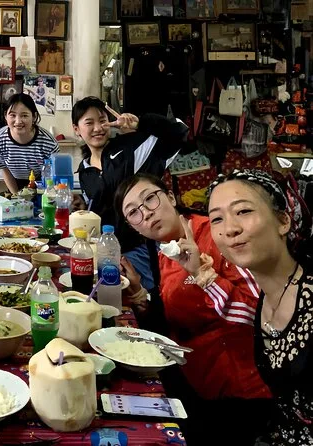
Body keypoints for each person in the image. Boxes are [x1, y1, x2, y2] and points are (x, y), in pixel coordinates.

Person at [114, 173, 272, 445]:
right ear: (133, 227)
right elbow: (176, 317)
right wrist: (139, 295)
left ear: (171, 197)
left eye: (150, 199)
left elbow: (261, 316)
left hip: (238, 393)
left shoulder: (217, 233)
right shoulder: (166, 251)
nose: (146, 213)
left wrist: (203, 275)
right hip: (194, 378)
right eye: (134, 213)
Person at [208, 169, 313, 444]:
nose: (230, 229)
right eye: (217, 218)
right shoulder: (265, 300)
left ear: (283, 221)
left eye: (243, 211)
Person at [73, 96, 189, 291]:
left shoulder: (131, 147)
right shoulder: (84, 171)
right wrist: (82, 206)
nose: (98, 128)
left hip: (142, 248)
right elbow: (100, 208)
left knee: (142, 299)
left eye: (102, 120)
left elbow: (179, 132)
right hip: (106, 251)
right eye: (89, 123)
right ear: (76, 129)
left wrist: (141, 123)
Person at [0, 93, 59, 195]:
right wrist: (16, 196)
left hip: (42, 184)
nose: (18, 121)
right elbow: (4, 170)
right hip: (14, 183)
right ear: (5, 116)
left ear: (34, 116)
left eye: (24, 115)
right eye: (12, 115)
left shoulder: (49, 143)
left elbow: (53, 174)